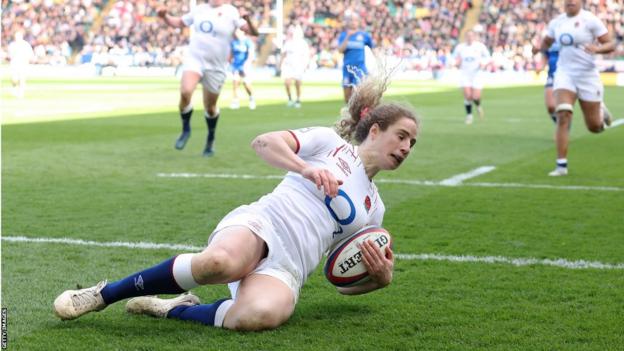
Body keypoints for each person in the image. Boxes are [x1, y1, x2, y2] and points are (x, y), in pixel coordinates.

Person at [52, 73, 420, 331]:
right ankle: (105, 294)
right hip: (265, 223)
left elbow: (339, 279)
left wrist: (377, 280)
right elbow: (263, 143)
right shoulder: (329, 144)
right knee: (219, 263)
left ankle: (175, 309)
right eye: (401, 136)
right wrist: (305, 169)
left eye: (412, 143)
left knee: (256, 317)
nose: (405, 148)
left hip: (291, 267)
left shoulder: (375, 208)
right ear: (375, 130)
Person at [158, 0, 258, 157]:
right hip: (195, 60)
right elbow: (178, 22)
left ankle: (210, 137)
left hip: (216, 66)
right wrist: (164, 16)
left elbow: (253, 32)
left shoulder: (231, 12)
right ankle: (186, 129)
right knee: (185, 92)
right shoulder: (199, 10)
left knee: (210, 107)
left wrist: (249, 20)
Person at [536, 0, 615, 176]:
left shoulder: (590, 19)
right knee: (563, 114)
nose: (570, 1)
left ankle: (600, 110)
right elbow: (546, 42)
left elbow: (610, 43)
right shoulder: (556, 22)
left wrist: (597, 49)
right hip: (565, 74)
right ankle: (561, 166)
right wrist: (539, 50)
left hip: (587, 76)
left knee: (594, 127)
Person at [452, 30, 490, 124]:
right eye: (468, 36)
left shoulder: (480, 46)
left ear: (474, 36)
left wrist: (483, 63)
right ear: (465, 37)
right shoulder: (460, 47)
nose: (469, 38)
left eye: (471, 36)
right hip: (465, 74)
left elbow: (488, 57)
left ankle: (478, 105)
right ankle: (469, 116)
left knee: (475, 96)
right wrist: (456, 63)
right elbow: (453, 58)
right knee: (468, 96)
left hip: (477, 74)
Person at [338, 15, 374, 104]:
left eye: (355, 20)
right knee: (347, 97)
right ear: (348, 22)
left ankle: (358, 115)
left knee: (357, 94)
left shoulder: (364, 35)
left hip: (359, 69)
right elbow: (340, 50)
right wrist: (348, 37)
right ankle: (351, 114)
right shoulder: (343, 35)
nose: (353, 22)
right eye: (351, 20)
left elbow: (373, 49)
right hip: (347, 69)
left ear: (358, 22)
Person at [279, 25, 309, 108]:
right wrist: (280, 64)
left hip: (299, 65)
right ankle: (289, 99)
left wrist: (305, 65)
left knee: (298, 83)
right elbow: (283, 54)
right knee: (287, 82)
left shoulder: (303, 43)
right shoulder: (288, 42)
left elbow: (306, 55)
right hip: (288, 65)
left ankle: (298, 99)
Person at [229, 28, 256, 110]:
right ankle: (235, 101)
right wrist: (230, 61)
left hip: (245, 65)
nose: (236, 33)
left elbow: (251, 54)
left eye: (238, 31)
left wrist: (247, 63)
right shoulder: (233, 42)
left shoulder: (247, 42)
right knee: (235, 81)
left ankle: (251, 97)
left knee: (246, 83)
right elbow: (231, 54)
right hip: (236, 65)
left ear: (243, 32)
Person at [8, 30, 34, 98]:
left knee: (22, 78)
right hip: (14, 64)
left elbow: (30, 54)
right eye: (16, 36)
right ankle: (14, 88)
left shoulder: (26, 45)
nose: (17, 37)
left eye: (19, 36)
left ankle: (20, 93)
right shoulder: (12, 45)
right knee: (14, 78)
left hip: (23, 64)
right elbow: (10, 55)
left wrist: (28, 60)